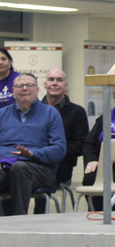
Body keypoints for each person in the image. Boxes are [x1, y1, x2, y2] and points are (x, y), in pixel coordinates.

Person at [0, 73, 66, 216]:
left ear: (37, 90)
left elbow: (59, 150)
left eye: (29, 85)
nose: (24, 89)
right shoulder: (2, 114)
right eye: (20, 86)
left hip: (40, 169)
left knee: (19, 168)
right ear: (13, 90)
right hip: (5, 166)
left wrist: (32, 153)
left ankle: (19, 220)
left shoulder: (51, 113)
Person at [32, 68, 89, 214]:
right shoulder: (33, 110)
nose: (55, 83)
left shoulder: (77, 112)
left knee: (34, 174)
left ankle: (38, 217)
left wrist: (54, 153)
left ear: (65, 85)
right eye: (51, 79)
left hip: (61, 164)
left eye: (59, 80)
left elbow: (81, 145)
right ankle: (13, 217)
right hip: (33, 161)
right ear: (45, 84)